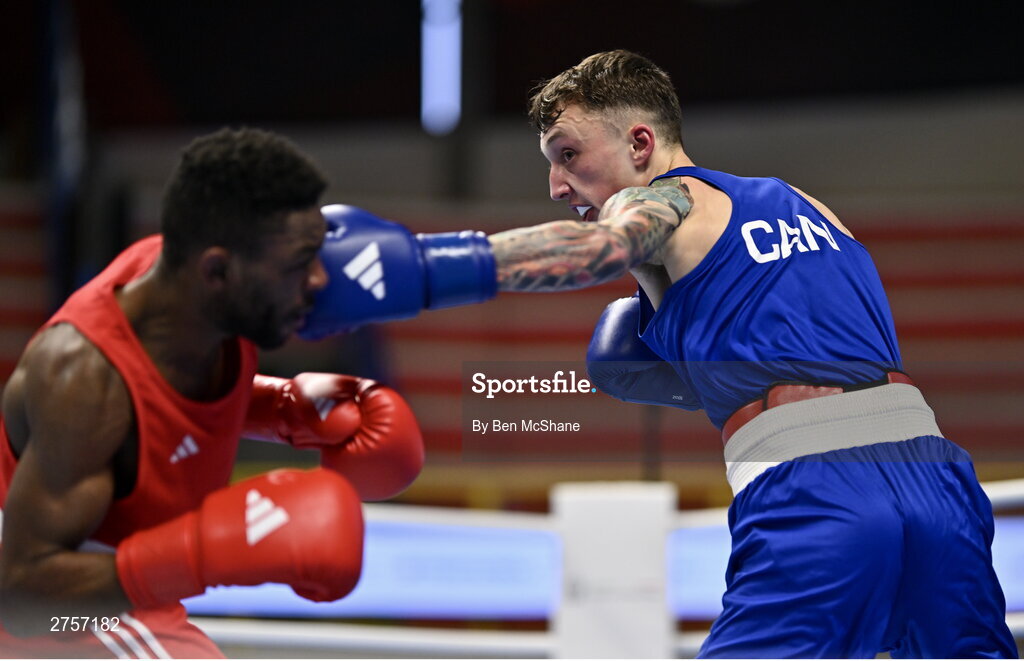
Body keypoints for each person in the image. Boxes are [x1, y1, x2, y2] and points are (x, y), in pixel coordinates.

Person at [298, 51, 1016, 658]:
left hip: (819, 495)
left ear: (640, 145)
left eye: (569, 155)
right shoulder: (802, 202)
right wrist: (700, 370)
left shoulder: (665, 202)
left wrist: (421, 269)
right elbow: (825, 344)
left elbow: (590, 253)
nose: (555, 185)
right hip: (940, 485)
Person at [0, 127, 424, 658]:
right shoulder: (83, 382)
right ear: (218, 271)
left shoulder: (188, 289)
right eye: (297, 264)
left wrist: (283, 410)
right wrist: (203, 554)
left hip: (123, 595)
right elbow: (20, 598)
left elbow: (161, 405)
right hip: (50, 609)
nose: (318, 280)